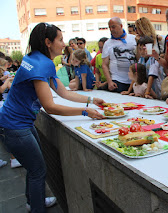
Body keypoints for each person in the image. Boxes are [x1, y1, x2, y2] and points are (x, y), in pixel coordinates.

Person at [0, 22, 105, 212]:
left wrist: (91, 99)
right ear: (48, 42)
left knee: (35, 169)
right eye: (60, 39)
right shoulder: (42, 64)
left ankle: (32, 201)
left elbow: (63, 93)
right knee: (38, 170)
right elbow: (49, 106)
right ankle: (36, 208)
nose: (63, 43)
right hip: (15, 126)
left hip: (18, 123)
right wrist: (84, 111)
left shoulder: (37, 58)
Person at [101, 17, 136, 93]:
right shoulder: (108, 43)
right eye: (110, 27)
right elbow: (104, 64)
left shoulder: (133, 39)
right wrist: (109, 81)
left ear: (120, 26)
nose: (111, 29)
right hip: (117, 80)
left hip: (134, 81)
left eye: (113, 27)